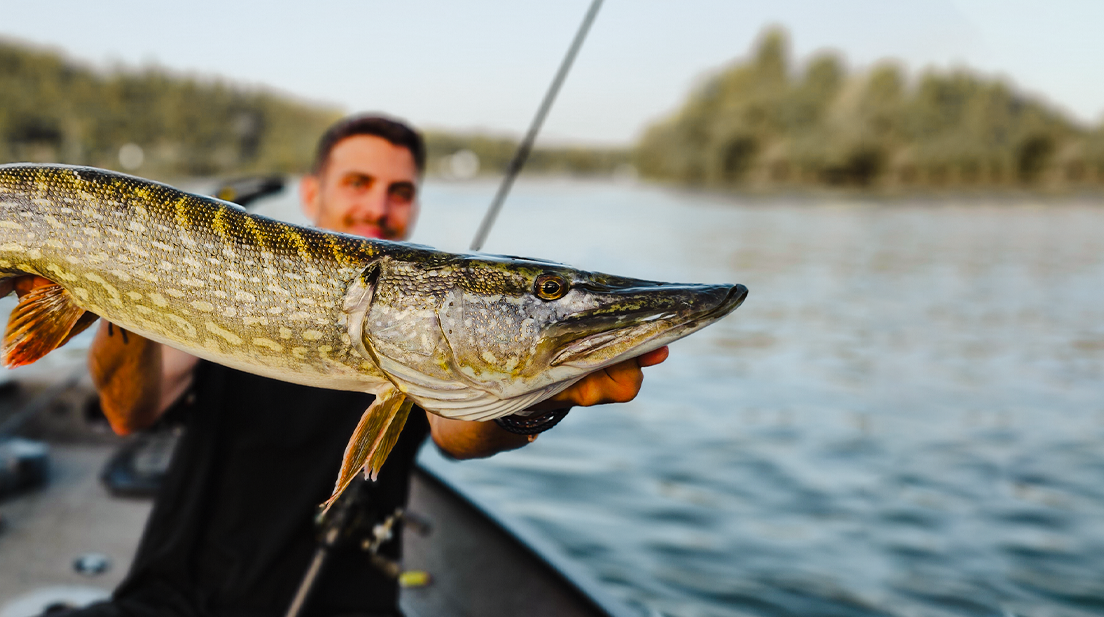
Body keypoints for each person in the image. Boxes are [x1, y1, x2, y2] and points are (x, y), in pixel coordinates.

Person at [61, 114, 668, 617]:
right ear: (312, 192)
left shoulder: (423, 318)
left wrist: (542, 397)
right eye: (358, 182)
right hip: (175, 599)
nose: (378, 206)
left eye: (399, 192)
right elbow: (126, 411)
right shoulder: (219, 279)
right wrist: (111, 280)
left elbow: (457, 433)